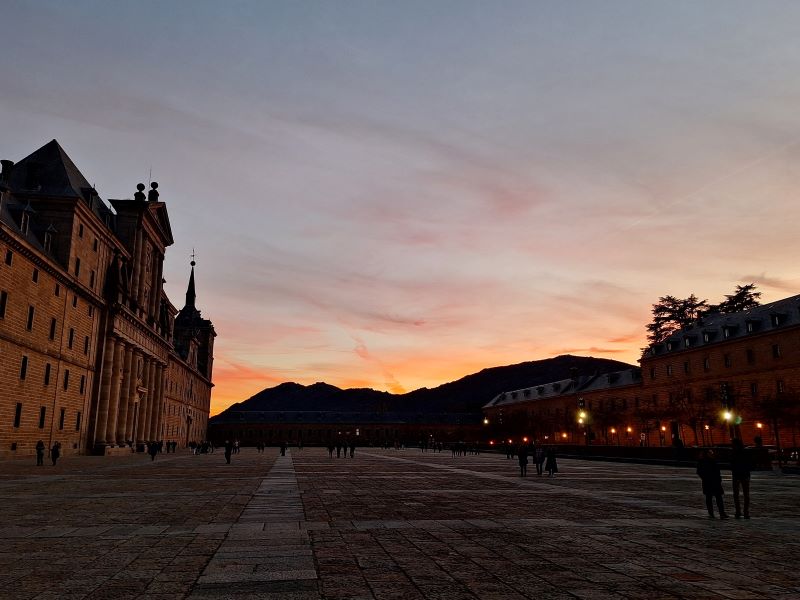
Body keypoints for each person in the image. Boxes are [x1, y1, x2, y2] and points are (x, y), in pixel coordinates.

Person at [697, 449, 727, 519]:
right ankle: (720, 513)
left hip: (709, 481)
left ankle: (713, 513)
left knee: (710, 497)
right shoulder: (710, 461)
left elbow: (699, 472)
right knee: (717, 497)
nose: (712, 453)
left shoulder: (703, 461)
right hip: (712, 481)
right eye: (710, 452)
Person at [730, 438, 751, 519]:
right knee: (745, 495)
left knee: (737, 495)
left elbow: (732, 464)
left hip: (738, 475)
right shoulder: (744, 452)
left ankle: (739, 512)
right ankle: (745, 512)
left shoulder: (734, 453)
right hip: (744, 475)